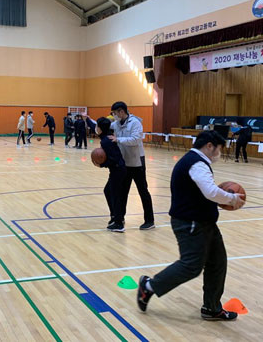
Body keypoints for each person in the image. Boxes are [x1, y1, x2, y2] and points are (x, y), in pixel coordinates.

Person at [137, 131, 246, 321]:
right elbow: (211, 191)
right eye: (219, 149)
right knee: (191, 266)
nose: (219, 153)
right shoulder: (197, 163)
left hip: (204, 222)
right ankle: (149, 287)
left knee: (217, 263)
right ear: (209, 146)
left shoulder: (193, 161)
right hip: (191, 223)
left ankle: (211, 308)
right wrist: (232, 198)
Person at [109, 101, 154, 232]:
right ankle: (120, 219)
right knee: (123, 192)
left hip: (137, 162)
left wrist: (118, 140)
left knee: (143, 191)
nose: (114, 116)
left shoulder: (135, 123)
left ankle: (149, 220)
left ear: (121, 111)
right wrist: (89, 121)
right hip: (125, 162)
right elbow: (105, 126)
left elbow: (135, 139)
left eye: (115, 113)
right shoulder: (116, 124)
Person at [95, 117, 126, 230]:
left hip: (118, 169)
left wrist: (102, 164)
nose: (95, 128)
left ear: (100, 128)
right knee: (108, 191)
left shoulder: (106, 141)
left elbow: (113, 159)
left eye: (97, 126)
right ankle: (115, 216)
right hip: (117, 169)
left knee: (114, 195)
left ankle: (119, 223)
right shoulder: (106, 137)